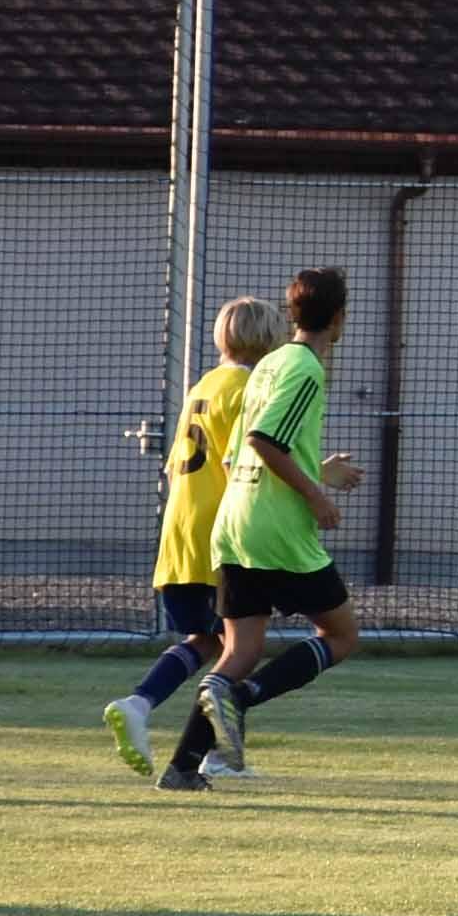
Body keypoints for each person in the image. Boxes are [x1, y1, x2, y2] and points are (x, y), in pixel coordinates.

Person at [160, 264, 369, 793]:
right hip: (276, 531)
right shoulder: (305, 369)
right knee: (341, 635)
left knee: (240, 651)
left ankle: (181, 768)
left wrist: (303, 477)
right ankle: (244, 698)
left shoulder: (268, 364)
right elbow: (263, 440)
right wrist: (315, 496)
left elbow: (237, 456)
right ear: (339, 319)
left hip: (234, 523)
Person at [113, 293, 283, 779]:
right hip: (222, 532)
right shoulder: (252, 388)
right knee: (240, 646)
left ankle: (140, 704)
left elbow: (175, 467)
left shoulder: (202, 385)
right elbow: (245, 461)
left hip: (180, 528)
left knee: (205, 641)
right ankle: (217, 755)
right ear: (269, 340)